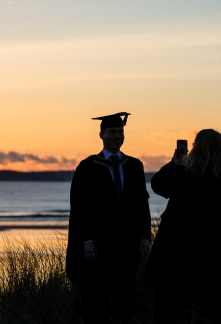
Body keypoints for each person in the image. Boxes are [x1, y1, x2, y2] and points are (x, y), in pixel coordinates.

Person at [144, 129, 221, 324]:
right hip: (217, 254)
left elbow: (158, 186)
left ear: (195, 148)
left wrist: (175, 162)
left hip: (179, 253)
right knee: (212, 312)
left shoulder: (182, 174)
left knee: (171, 312)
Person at [66, 112, 151, 323]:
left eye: (121, 132)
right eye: (112, 132)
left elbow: (142, 203)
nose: (118, 136)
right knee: (96, 300)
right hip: (98, 243)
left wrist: (145, 235)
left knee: (124, 299)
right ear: (101, 135)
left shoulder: (134, 166)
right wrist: (86, 241)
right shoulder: (87, 167)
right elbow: (79, 207)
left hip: (127, 243)